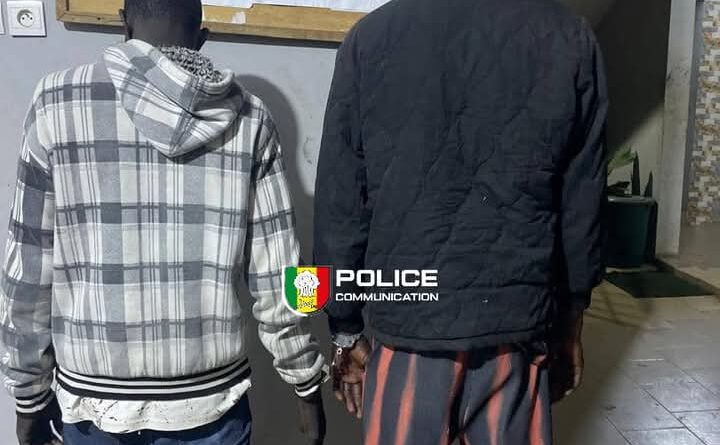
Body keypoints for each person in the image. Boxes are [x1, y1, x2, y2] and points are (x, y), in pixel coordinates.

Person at [0, 0, 327, 444]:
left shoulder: (56, 102)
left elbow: (26, 269)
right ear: (202, 38)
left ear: (124, 24)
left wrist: (27, 397)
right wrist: (307, 382)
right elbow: (286, 272)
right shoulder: (251, 118)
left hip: (96, 406)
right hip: (211, 404)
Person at [314, 0, 608, 443]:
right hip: (514, 330)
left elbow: (341, 202)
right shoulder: (570, 37)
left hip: (409, 328)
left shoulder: (370, 38)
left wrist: (344, 326)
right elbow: (583, 198)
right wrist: (572, 319)